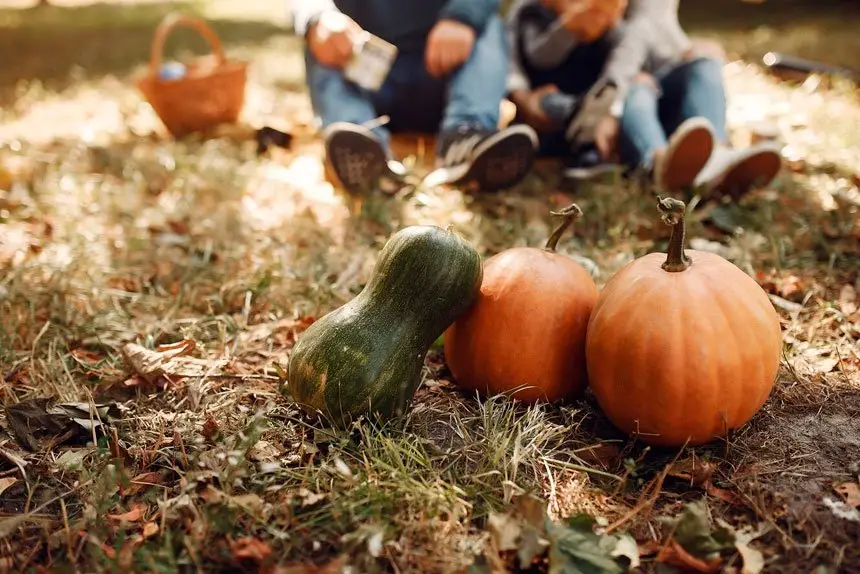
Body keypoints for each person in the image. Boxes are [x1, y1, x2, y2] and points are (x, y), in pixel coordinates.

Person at [508, 0, 783, 199]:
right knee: (638, 89)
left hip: (642, 87)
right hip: (606, 102)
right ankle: (660, 162)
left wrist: (685, 52)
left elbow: (641, 40)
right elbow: (532, 54)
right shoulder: (531, 13)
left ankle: (718, 156)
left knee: (704, 62)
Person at [292, 0, 539, 194]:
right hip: (365, 73)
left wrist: (462, 18)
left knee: (487, 25)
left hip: (445, 75)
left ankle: (466, 140)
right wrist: (319, 17)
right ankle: (360, 146)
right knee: (322, 38)